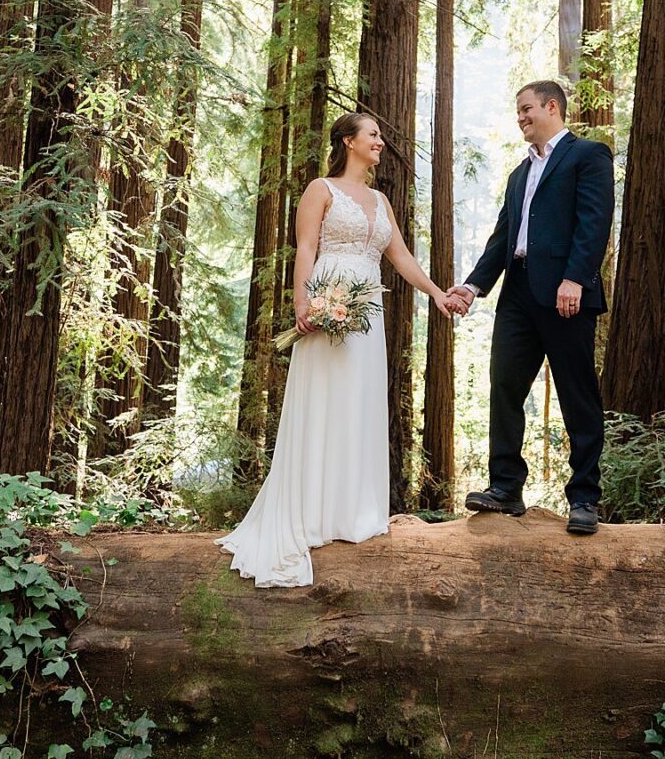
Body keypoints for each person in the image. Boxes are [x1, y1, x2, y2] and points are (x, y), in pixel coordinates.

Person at [217, 112, 458, 587]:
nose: (380, 142)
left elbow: (401, 257)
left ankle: (354, 512)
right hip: (329, 301)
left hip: (367, 312)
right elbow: (306, 246)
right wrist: (303, 299)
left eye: (381, 136)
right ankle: (313, 513)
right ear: (349, 141)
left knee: (359, 402)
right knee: (325, 401)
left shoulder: (382, 200)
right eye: (373, 134)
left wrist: (435, 292)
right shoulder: (320, 190)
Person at [446, 80, 615, 535]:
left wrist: (575, 278)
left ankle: (584, 498)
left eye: (526, 109)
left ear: (551, 106)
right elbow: (503, 237)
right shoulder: (519, 175)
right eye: (517, 111)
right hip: (518, 295)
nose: (520, 117)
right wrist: (472, 287)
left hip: (566, 293)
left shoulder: (588, 155)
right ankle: (505, 488)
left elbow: (594, 222)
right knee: (504, 385)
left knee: (577, 395)